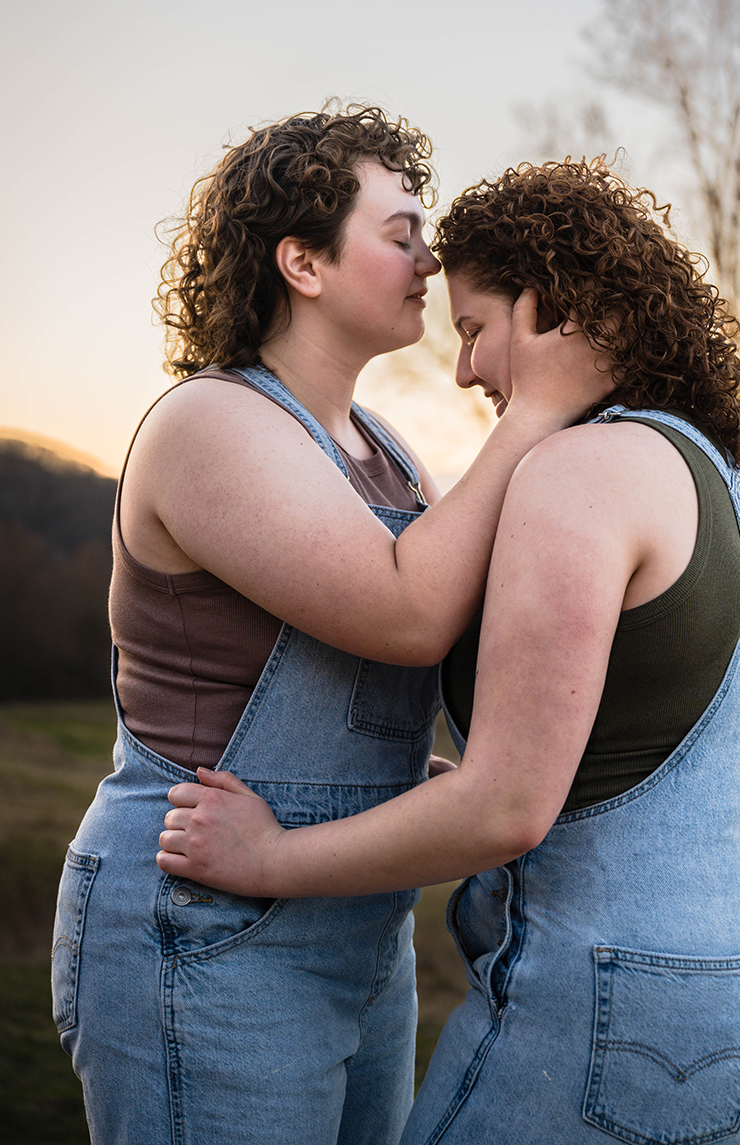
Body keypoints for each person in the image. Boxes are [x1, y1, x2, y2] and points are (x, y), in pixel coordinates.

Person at [158, 157, 740, 1145]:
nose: (467, 367)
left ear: (549, 308)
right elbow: (634, 753)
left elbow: (507, 809)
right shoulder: (715, 474)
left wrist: (269, 858)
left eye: (475, 329)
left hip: (625, 1013)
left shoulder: (576, 472)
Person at [51, 110, 611, 1145]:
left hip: (357, 920)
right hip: (205, 921)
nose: (428, 257)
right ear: (301, 261)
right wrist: (535, 409)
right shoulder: (208, 424)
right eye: (399, 233)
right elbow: (405, 612)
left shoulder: (384, 449)